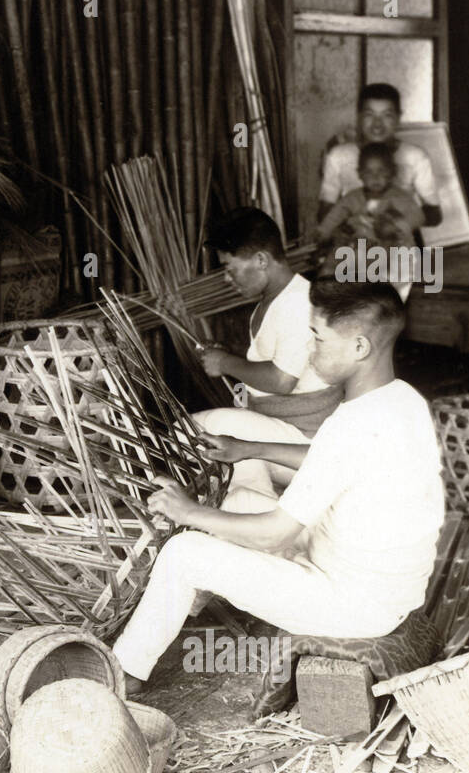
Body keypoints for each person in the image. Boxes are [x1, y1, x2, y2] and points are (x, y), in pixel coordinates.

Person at [113, 279, 445, 692]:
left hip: (354, 604)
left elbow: (274, 535)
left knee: (184, 552)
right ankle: (186, 598)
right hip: (380, 582)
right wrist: (247, 448)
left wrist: (187, 511)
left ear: (360, 347)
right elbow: (333, 462)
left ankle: (125, 672)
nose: (310, 351)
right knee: (238, 500)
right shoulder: (402, 400)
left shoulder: (353, 423)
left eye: (318, 338)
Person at [194, 208, 342, 500]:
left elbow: (281, 380)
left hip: (305, 445)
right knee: (212, 436)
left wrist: (226, 363)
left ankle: (263, 515)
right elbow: (276, 362)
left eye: (230, 268)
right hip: (285, 434)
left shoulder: (299, 303)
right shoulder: (276, 300)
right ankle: (260, 505)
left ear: (261, 260)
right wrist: (230, 355)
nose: (227, 279)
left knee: (207, 428)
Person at [317, 82, 443, 230]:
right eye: (370, 115)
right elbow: (324, 214)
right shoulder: (338, 156)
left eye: (387, 115)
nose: (377, 124)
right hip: (355, 242)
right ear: (359, 117)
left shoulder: (415, 157)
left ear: (398, 118)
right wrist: (356, 223)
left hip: (398, 242)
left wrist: (396, 221)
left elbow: (435, 215)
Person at [317, 142, 425, 301]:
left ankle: (392, 297)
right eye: (368, 172)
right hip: (363, 247)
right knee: (338, 255)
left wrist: (397, 225)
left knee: (396, 271)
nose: (375, 177)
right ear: (359, 174)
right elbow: (336, 214)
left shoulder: (399, 197)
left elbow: (417, 216)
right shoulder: (353, 197)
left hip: (393, 246)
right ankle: (327, 291)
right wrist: (323, 232)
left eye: (381, 171)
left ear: (392, 172)